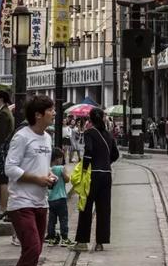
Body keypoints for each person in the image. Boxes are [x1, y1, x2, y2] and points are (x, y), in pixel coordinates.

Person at [5, 95, 56, 266]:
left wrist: (49, 175)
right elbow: (10, 168)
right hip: (21, 203)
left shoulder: (48, 137)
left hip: (41, 203)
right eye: (50, 110)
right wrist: (36, 179)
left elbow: (43, 167)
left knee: (35, 251)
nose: (54, 113)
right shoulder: (22, 136)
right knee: (32, 249)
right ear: (38, 115)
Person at [70, 107, 119, 252]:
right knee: (104, 208)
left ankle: (82, 242)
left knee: (85, 206)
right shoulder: (109, 135)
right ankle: (100, 243)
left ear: (90, 119)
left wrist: (85, 168)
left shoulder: (89, 133)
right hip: (106, 174)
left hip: (93, 174)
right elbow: (115, 154)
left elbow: (89, 152)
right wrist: (106, 162)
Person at [0, 90, 15, 218]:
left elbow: (1, 135)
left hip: (3, 150)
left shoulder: (4, 114)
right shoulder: (4, 111)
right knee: (1, 180)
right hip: (3, 149)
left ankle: (3, 207)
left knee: (2, 179)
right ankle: (3, 206)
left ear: (0, 99)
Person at [45, 147, 71, 246]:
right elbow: (67, 179)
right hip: (61, 198)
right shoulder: (60, 168)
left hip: (51, 199)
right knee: (63, 219)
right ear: (57, 159)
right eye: (61, 158)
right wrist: (64, 174)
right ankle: (64, 238)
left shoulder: (47, 169)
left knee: (52, 220)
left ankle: (51, 238)